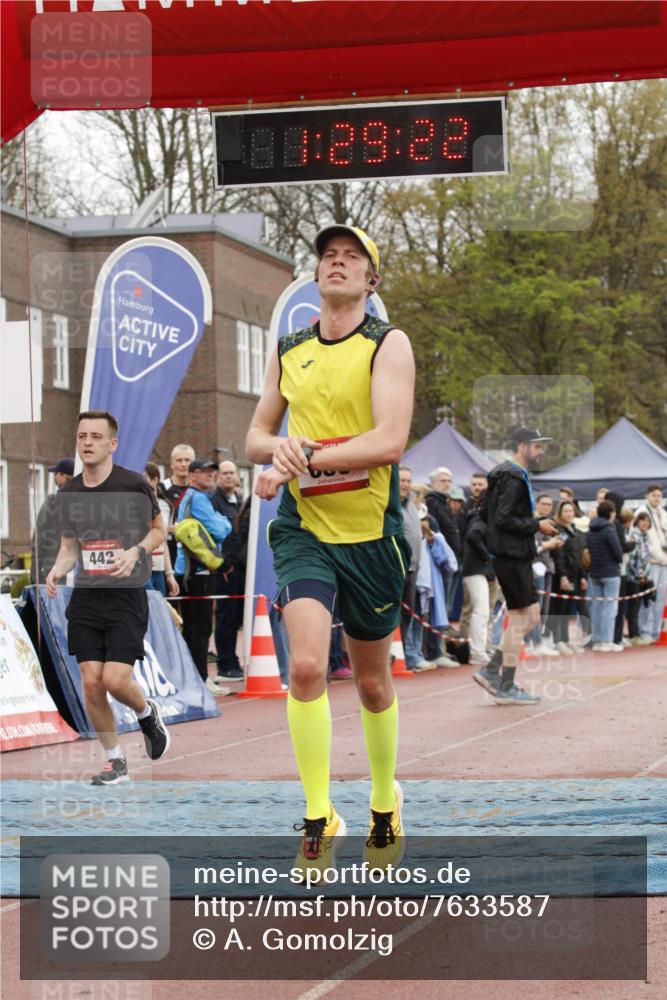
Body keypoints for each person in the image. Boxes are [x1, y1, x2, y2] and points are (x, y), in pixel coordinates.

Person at [247, 223, 414, 880]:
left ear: (370, 281)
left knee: (372, 683)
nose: (337, 264)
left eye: (352, 259)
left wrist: (306, 454)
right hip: (304, 530)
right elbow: (257, 434)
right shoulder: (290, 348)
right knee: (308, 669)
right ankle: (319, 816)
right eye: (328, 257)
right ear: (317, 276)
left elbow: (389, 441)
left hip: (370, 535)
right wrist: (278, 452)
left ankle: (382, 802)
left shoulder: (386, 344)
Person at [45, 411, 169, 785]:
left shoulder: (133, 485)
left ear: (112, 443)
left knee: (115, 680)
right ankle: (115, 762)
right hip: (86, 597)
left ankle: (147, 713)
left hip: (127, 596)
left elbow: (159, 531)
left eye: (96, 436)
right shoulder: (68, 494)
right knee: (91, 681)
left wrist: (135, 552)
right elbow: (70, 548)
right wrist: (56, 569)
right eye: (82, 435)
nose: (87, 442)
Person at [473, 427, 559, 705]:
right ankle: (496, 676)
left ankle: (501, 679)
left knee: (528, 617)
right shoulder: (511, 476)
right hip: (511, 556)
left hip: (512, 554)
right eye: (537, 446)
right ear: (522, 446)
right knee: (525, 619)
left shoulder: (507, 474)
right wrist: (537, 524)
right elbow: (502, 519)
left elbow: (489, 514)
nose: (541, 451)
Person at [174, 458, 232, 693]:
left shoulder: (193, 497)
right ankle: (199, 678)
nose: (211, 475)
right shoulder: (197, 499)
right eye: (205, 472)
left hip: (188, 570)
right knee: (200, 627)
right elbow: (220, 530)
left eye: (212, 472)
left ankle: (194, 677)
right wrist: (223, 521)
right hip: (197, 571)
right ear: (192, 475)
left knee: (192, 627)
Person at [210, 461, 245, 681]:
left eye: (232, 473)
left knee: (235, 617)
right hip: (224, 568)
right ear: (218, 477)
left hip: (239, 568)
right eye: (225, 473)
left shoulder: (240, 500)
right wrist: (224, 563)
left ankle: (233, 660)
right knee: (225, 617)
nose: (229, 477)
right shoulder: (215, 501)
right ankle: (225, 664)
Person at [398, 466, 428, 671]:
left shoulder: (410, 505)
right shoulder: (389, 503)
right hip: (395, 569)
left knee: (408, 614)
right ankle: (395, 657)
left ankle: (404, 656)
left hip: (413, 568)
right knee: (394, 614)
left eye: (408, 481)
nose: (405, 484)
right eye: (401, 480)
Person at [550, 500, 589, 654]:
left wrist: (582, 576)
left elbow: (578, 556)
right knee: (559, 608)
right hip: (563, 575)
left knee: (567, 609)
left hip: (575, 574)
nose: (568, 514)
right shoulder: (559, 531)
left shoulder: (574, 530)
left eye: (570, 511)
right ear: (560, 513)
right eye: (565, 511)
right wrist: (563, 576)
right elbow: (559, 555)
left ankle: (565, 640)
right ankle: (558, 639)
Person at [586, 498, 623, 652]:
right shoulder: (609, 529)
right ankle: (607, 640)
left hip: (594, 572)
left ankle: (597, 640)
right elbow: (618, 552)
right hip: (610, 572)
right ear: (611, 513)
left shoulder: (591, 529)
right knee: (609, 607)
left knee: (596, 606)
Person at [426, 467, 461, 619]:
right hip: (441, 560)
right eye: (442, 481)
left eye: (449, 481)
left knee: (448, 603)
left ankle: (441, 636)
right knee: (441, 604)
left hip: (452, 558)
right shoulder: (432, 501)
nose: (447, 484)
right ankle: (436, 639)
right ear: (433, 483)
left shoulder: (444, 503)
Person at [31, 457, 74, 584]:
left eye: (56, 473)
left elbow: (37, 542)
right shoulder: (85, 503)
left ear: (64, 476)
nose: (55, 477)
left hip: (52, 576)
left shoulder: (51, 505)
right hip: (80, 577)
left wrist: (35, 576)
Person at [635, 484, 667, 643]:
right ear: (647, 495)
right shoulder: (642, 512)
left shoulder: (662, 513)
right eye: (654, 495)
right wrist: (658, 556)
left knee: (661, 599)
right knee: (648, 598)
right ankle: (645, 631)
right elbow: (646, 540)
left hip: (664, 562)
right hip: (651, 562)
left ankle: (655, 631)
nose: (657, 498)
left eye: (659, 495)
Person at [144, 462, 179, 599]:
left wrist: (169, 574)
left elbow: (163, 541)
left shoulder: (165, 505)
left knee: (161, 612)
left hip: (158, 568)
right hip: (141, 569)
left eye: (144, 477)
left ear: (155, 480)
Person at [162, 443, 195, 567]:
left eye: (187, 460)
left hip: (192, 549)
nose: (183, 464)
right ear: (171, 464)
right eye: (179, 460)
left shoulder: (199, 490)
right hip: (169, 549)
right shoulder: (161, 489)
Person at [627, 512, 652, 645]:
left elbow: (646, 557)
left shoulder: (646, 536)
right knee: (633, 606)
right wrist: (640, 574)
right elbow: (632, 558)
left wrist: (646, 575)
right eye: (642, 520)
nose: (645, 523)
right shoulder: (634, 535)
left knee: (639, 605)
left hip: (643, 576)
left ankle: (637, 633)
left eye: (647, 521)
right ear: (637, 521)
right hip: (633, 576)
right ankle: (633, 634)